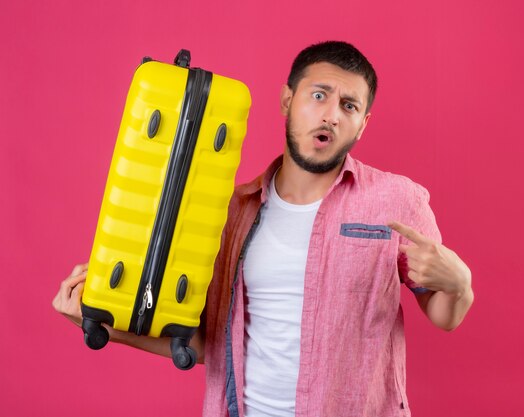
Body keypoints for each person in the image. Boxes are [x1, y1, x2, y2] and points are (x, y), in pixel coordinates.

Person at [53, 40, 473, 417]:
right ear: (288, 100)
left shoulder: (398, 200)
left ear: (363, 124)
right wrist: (100, 323)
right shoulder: (231, 210)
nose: (331, 114)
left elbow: (444, 315)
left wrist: (459, 285)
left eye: (349, 106)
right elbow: (207, 345)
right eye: (319, 95)